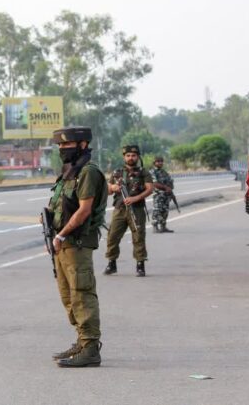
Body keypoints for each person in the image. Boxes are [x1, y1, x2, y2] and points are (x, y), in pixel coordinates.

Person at [46, 126, 108, 367]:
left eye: (67, 145)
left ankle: (91, 347)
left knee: (82, 294)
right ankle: (82, 341)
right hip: (64, 243)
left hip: (76, 242)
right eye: (60, 146)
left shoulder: (88, 173)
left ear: (82, 145)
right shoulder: (70, 172)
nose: (62, 149)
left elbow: (84, 210)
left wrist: (61, 235)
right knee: (68, 295)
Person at [103, 145, 154, 277]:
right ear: (124, 157)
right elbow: (107, 190)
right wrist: (114, 187)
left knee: (138, 237)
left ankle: (140, 265)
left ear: (137, 157)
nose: (131, 158)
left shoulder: (143, 172)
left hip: (136, 209)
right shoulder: (117, 172)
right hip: (120, 209)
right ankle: (111, 263)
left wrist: (136, 198)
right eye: (128, 155)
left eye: (133, 155)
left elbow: (149, 189)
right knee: (112, 236)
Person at [150, 156, 175, 233]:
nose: (160, 163)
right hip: (158, 194)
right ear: (154, 163)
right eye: (158, 161)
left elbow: (170, 182)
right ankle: (155, 227)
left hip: (166, 195)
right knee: (157, 211)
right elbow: (155, 183)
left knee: (165, 211)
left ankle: (163, 227)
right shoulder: (152, 172)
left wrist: (170, 189)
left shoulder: (164, 172)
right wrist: (166, 188)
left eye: (161, 161)